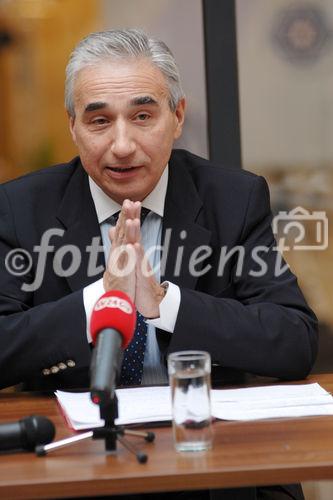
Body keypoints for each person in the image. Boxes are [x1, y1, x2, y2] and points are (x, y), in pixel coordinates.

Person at [0, 29, 317, 499]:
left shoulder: (233, 198)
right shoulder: (21, 207)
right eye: (99, 121)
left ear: (177, 116)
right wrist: (99, 299)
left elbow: (294, 339)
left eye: (143, 116)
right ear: (72, 127)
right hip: (77, 466)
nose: (122, 145)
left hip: (212, 462)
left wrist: (165, 302)